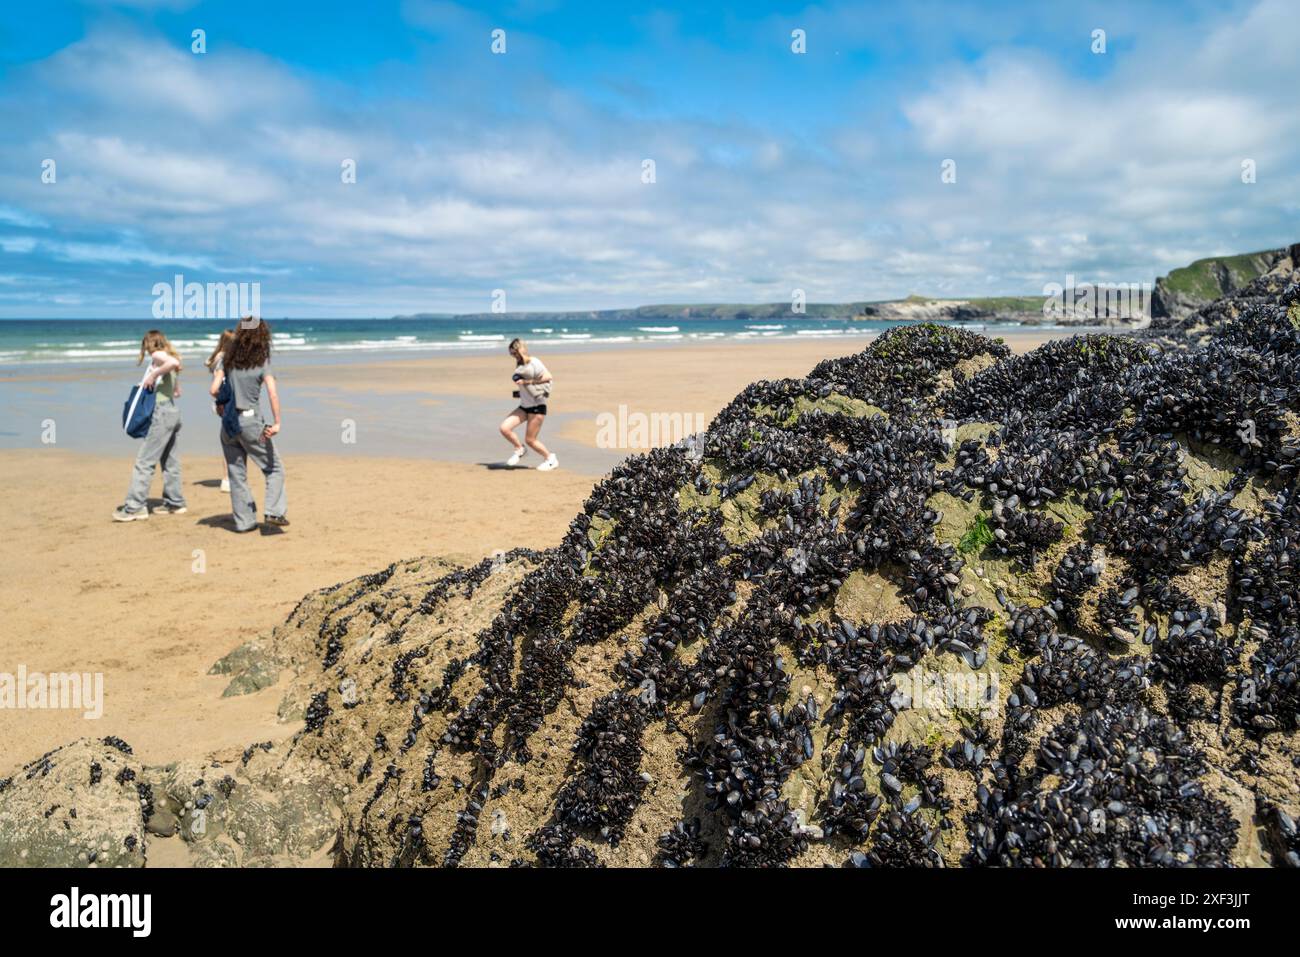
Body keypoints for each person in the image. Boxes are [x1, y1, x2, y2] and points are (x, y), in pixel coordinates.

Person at [213, 318, 288, 531]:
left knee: (236, 474)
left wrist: (222, 404)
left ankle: (245, 522)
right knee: (274, 468)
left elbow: (215, 389)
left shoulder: (228, 360)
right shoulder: (261, 361)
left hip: (228, 423)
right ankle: (274, 512)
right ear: (262, 336)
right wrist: (277, 423)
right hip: (250, 421)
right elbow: (273, 393)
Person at [113, 330, 187, 521]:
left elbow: (174, 364)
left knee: (144, 462)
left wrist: (152, 375)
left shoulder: (158, 356)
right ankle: (175, 502)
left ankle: (135, 507)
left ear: (149, 343)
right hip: (172, 412)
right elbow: (177, 391)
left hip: (161, 414)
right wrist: (160, 379)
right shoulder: (168, 357)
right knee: (170, 461)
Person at [499, 338, 558, 470]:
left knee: (530, 440)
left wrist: (527, 382)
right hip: (525, 406)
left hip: (537, 407)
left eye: (514, 353)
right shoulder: (520, 366)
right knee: (504, 428)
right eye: (511, 354)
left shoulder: (534, 362)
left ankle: (550, 459)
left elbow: (548, 377)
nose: (513, 356)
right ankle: (520, 449)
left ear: (520, 350)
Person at [206, 329, 235, 493]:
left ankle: (228, 477)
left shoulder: (216, 357)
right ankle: (226, 478)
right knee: (230, 439)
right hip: (225, 400)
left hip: (220, 401)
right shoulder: (224, 358)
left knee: (229, 438)